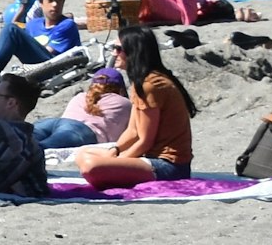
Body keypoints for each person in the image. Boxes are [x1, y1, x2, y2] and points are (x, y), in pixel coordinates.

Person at [70, 28, 196, 186]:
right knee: (83, 153)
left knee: (91, 166)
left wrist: (119, 161)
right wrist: (115, 151)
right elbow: (132, 131)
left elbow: (144, 141)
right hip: (151, 158)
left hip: (168, 165)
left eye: (118, 49)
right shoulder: (144, 82)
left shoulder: (152, 85)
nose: (114, 54)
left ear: (132, 52)